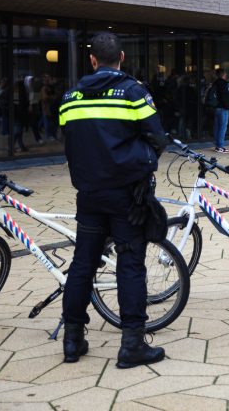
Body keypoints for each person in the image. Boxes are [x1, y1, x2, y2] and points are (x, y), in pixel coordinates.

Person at [58, 32, 168, 368]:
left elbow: (69, 141)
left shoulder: (70, 98)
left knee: (82, 265)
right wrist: (141, 164)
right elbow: (158, 139)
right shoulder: (133, 92)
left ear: (92, 61)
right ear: (120, 58)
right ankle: (132, 344)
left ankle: (73, 341)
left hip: (89, 195)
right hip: (126, 196)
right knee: (131, 263)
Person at [211, 69, 229, 153]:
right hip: (223, 108)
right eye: (225, 73)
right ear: (223, 74)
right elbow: (225, 97)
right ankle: (220, 146)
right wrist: (228, 106)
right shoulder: (224, 84)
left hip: (216, 107)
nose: (226, 75)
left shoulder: (214, 83)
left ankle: (217, 145)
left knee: (217, 127)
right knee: (223, 127)